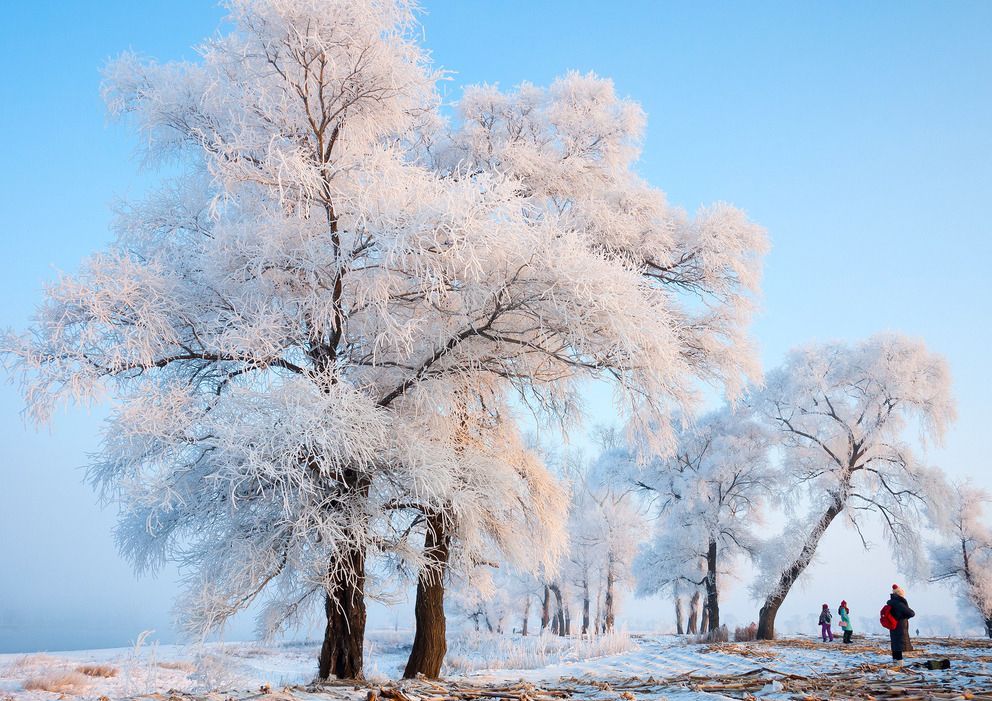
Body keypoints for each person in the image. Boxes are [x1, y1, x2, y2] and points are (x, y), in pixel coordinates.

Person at [887, 584, 915, 666]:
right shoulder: (899, 603)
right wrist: (904, 616)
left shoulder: (892, 602)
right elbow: (911, 613)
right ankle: (899, 663)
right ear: (900, 594)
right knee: (899, 644)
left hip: (894, 626)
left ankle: (895, 662)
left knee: (895, 643)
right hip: (900, 626)